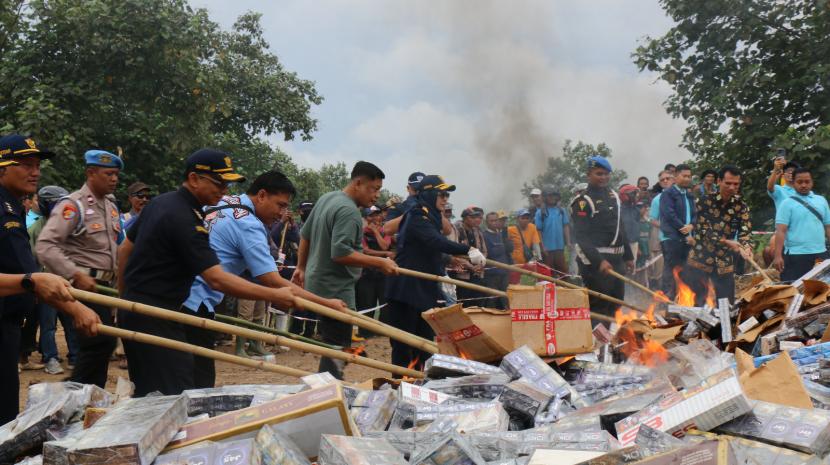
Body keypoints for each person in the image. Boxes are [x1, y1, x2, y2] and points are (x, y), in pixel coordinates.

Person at [117, 149, 296, 396]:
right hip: (159, 316)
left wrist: (124, 300)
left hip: (146, 311)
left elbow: (125, 249)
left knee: (152, 393)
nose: (224, 191)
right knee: (178, 396)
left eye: (227, 184)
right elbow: (216, 278)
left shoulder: (162, 202)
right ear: (194, 179)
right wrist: (274, 296)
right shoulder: (186, 219)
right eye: (219, 183)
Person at [181, 170, 348, 386]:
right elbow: (273, 281)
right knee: (197, 386)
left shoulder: (224, 201)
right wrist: (327, 303)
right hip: (195, 304)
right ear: (261, 195)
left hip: (177, 296)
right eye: (280, 205)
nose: (282, 213)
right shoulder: (249, 225)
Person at [0, 134, 100, 423]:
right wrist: (76, 308)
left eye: (37, 165)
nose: (35, 172)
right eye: (26, 165)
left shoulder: (13, 206)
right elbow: (33, 278)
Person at [291, 161, 398, 379]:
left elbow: (306, 235)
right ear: (358, 183)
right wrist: (380, 262)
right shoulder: (349, 211)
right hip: (336, 290)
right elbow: (340, 253)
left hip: (318, 283)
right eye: (374, 189)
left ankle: (330, 386)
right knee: (337, 347)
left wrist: (301, 267)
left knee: (333, 344)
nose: (377, 195)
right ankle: (330, 391)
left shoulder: (327, 198)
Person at [36, 149, 124, 388]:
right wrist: (73, 273)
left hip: (105, 287)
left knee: (101, 346)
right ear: (90, 173)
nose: (114, 179)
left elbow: (115, 248)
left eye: (116, 174)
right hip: (81, 286)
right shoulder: (73, 205)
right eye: (109, 174)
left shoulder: (111, 206)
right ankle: (74, 394)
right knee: (99, 342)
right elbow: (45, 246)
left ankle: (87, 396)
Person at [385, 175, 483, 370]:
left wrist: (455, 258)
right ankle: (400, 385)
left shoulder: (432, 216)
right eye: (442, 194)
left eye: (447, 194)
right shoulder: (416, 215)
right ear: (429, 194)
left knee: (425, 345)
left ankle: (422, 387)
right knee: (405, 346)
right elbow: (435, 241)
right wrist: (468, 250)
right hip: (406, 290)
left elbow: (433, 250)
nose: (446, 198)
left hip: (423, 290)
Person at [570, 156, 634, 321]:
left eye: (606, 174)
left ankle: (609, 344)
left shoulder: (613, 195)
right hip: (595, 262)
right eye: (599, 174)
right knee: (599, 306)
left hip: (617, 259)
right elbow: (581, 237)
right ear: (588, 174)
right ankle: (596, 344)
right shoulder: (583, 202)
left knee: (616, 303)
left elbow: (621, 228)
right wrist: (599, 261)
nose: (603, 177)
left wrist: (628, 256)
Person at [29, 185, 79, 375]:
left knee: (71, 322)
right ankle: (50, 358)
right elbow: (29, 260)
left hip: (66, 284)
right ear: (45, 205)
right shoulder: (34, 228)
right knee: (48, 325)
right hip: (45, 286)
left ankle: (75, 357)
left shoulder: (68, 227)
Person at [685, 166, 751, 305]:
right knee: (696, 302)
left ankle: (724, 326)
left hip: (724, 260)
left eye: (736, 184)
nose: (732, 187)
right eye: (728, 183)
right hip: (700, 257)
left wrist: (746, 246)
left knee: (726, 303)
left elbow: (745, 230)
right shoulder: (704, 201)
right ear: (719, 181)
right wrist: (726, 242)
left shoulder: (741, 206)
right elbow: (702, 229)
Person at [772, 168, 830, 281]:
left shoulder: (821, 200)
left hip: (820, 254)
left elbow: (828, 226)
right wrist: (778, 256)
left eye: (807, 181)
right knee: (794, 292)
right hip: (795, 256)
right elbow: (781, 231)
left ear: (812, 182)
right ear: (793, 183)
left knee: (822, 293)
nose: (804, 185)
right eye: (799, 182)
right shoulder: (786, 203)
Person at [659, 164, 696, 300]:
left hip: (687, 239)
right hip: (672, 239)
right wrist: (685, 231)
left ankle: (683, 300)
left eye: (689, 176)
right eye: (684, 176)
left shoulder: (689, 194)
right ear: (675, 176)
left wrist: (692, 225)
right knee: (671, 270)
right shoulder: (668, 194)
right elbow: (669, 215)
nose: (687, 179)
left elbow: (695, 213)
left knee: (685, 271)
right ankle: (667, 300)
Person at [356, 205, 393, 334]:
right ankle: (365, 332)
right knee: (366, 305)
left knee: (385, 306)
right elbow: (365, 251)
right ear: (366, 218)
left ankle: (383, 332)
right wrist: (384, 255)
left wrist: (377, 232)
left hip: (383, 274)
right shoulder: (361, 232)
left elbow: (385, 246)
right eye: (371, 215)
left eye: (377, 214)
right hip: (367, 274)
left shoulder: (385, 232)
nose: (375, 218)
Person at [452, 207, 489, 305]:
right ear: (465, 218)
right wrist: (470, 266)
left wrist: (481, 263)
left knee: (478, 300)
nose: (476, 219)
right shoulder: (456, 230)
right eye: (472, 217)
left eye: (477, 217)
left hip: (477, 272)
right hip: (462, 274)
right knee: (464, 302)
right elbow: (455, 252)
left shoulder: (477, 230)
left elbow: (484, 250)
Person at [535, 187, 570, 274]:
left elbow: (566, 226)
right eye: (549, 196)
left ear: (557, 197)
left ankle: (564, 287)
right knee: (548, 272)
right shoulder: (540, 212)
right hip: (547, 248)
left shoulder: (561, 210)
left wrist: (568, 242)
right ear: (545, 198)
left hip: (559, 247)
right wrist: (542, 246)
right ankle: (550, 287)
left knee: (563, 271)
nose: (552, 198)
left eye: (554, 196)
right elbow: (538, 230)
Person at [648, 170, 674, 289]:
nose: (665, 181)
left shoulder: (684, 196)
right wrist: (666, 227)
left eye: (668, 178)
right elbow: (652, 220)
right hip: (666, 240)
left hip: (684, 239)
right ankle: (665, 298)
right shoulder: (657, 199)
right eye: (662, 180)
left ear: (673, 179)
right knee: (666, 270)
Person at [482, 211, 512, 309]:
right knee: (492, 299)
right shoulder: (484, 236)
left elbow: (509, 250)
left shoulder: (502, 235)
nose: (494, 222)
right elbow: (491, 253)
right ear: (487, 222)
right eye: (492, 221)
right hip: (491, 273)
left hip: (504, 272)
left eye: (496, 220)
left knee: (506, 298)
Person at [507, 209, 542, 284]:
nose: (525, 220)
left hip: (526, 261)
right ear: (517, 219)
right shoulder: (510, 230)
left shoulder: (532, 227)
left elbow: (536, 244)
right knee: (515, 283)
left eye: (527, 218)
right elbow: (506, 245)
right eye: (523, 218)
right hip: (515, 262)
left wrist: (539, 259)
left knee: (540, 275)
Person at [620, 184, 641, 265]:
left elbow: (637, 228)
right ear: (626, 196)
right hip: (622, 244)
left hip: (634, 243)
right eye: (634, 194)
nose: (637, 196)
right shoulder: (619, 210)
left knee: (632, 268)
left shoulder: (636, 210)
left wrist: (638, 246)